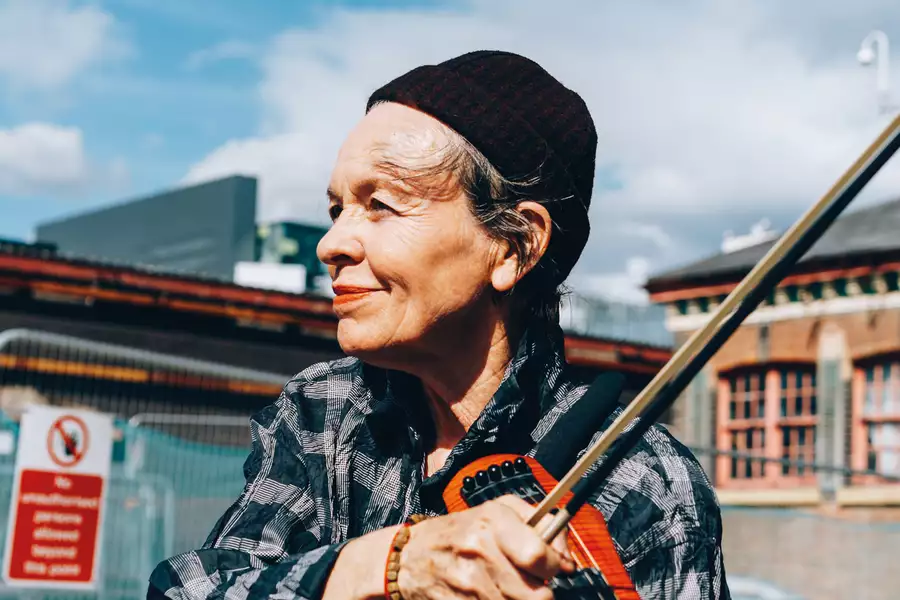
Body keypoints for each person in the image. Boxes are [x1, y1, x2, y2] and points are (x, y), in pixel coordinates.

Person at [147, 50, 729, 600]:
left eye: (382, 204)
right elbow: (194, 586)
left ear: (513, 245)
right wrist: (393, 563)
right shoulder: (324, 410)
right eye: (337, 209)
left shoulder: (643, 481)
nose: (330, 244)